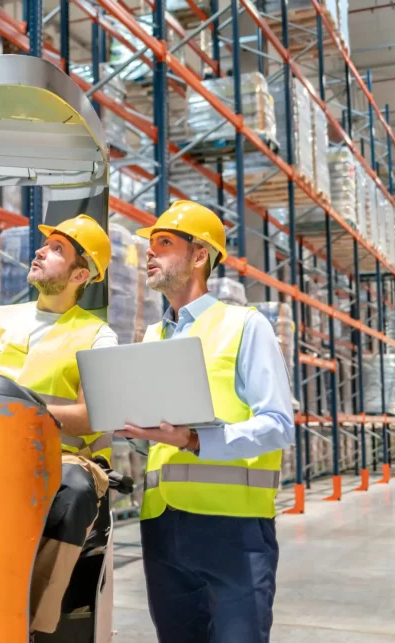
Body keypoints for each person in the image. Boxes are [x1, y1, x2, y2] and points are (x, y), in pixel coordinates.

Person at [117, 200, 294, 643]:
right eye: (151, 244)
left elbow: (278, 424)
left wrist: (196, 440)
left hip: (233, 528)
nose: (150, 252)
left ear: (200, 255)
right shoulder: (152, 335)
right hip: (162, 525)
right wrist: (130, 430)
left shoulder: (245, 326)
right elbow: (156, 440)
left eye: (164, 243)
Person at [0, 214, 118, 637]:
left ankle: (31, 622)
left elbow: (94, 414)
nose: (40, 252)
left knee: (74, 492)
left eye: (56, 249)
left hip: (60, 457)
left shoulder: (97, 335)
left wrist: (27, 408)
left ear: (80, 275)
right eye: (45, 244)